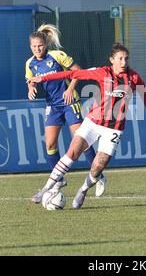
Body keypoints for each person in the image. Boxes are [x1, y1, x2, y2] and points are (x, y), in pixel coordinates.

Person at [29, 43, 146, 209]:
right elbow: (73, 73)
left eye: (126, 59)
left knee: (98, 166)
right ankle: (45, 189)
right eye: (120, 58)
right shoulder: (103, 72)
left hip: (114, 129)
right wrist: (44, 78)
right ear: (112, 60)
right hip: (93, 122)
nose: (123, 62)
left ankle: (83, 190)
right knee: (73, 152)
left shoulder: (133, 77)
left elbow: (144, 94)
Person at [25, 24, 106, 202]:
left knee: (81, 142)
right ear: (30, 47)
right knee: (50, 144)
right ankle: (59, 180)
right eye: (33, 46)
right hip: (52, 106)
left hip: (70, 102)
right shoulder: (30, 63)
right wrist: (31, 88)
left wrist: (70, 89)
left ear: (45, 44)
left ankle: (99, 177)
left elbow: (78, 71)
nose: (37, 49)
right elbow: (30, 80)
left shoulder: (56, 56)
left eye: (40, 45)